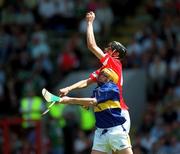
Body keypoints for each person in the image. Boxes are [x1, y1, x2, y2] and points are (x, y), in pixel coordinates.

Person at [59, 11, 130, 133]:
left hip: (118, 112)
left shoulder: (114, 62)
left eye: (110, 48)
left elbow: (91, 45)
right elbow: (87, 82)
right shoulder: (105, 69)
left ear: (116, 54)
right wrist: (68, 89)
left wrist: (90, 22)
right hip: (107, 112)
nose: (106, 49)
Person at [57, 68, 133, 154]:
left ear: (110, 80)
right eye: (101, 74)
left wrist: (69, 100)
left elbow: (93, 101)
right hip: (101, 132)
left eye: (105, 75)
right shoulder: (97, 90)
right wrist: (84, 104)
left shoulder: (111, 87)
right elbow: (90, 103)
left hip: (116, 131)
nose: (100, 76)